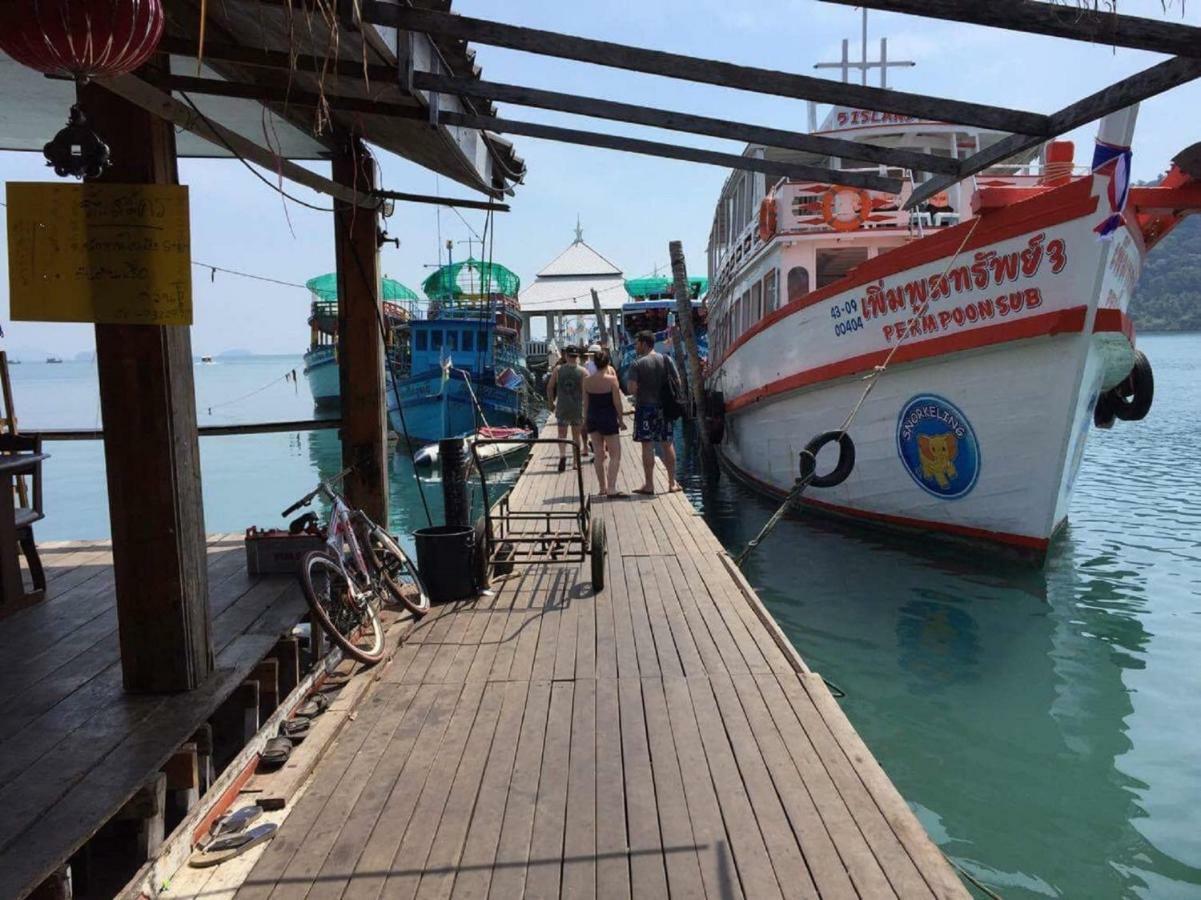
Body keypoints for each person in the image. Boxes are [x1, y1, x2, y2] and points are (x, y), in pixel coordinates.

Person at [626, 330, 680, 494]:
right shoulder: (666, 359)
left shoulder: (637, 363)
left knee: (647, 445)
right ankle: (672, 483)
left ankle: (649, 484)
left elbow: (631, 388)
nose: (635, 346)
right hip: (664, 407)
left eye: (637, 343)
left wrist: (641, 393)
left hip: (645, 407)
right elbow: (677, 382)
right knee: (667, 443)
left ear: (644, 343)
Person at [583, 348, 626, 497]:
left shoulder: (587, 381)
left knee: (598, 454)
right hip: (608, 417)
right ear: (607, 363)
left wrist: (585, 420)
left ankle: (602, 487)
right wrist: (621, 420)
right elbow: (618, 403)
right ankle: (611, 487)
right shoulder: (612, 380)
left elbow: (586, 404)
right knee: (615, 454)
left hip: (593, 418)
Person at [545, 345, 588, 472]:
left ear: (566, 356)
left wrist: (551, 402)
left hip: (562, 407)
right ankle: (575, 462)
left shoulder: (558, 370)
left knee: (562, 435)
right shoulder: (583, 372)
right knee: (576, 437)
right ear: (577, 357)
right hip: (577, 408)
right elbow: (586, 391)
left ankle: (563, 455)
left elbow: (549, 387)